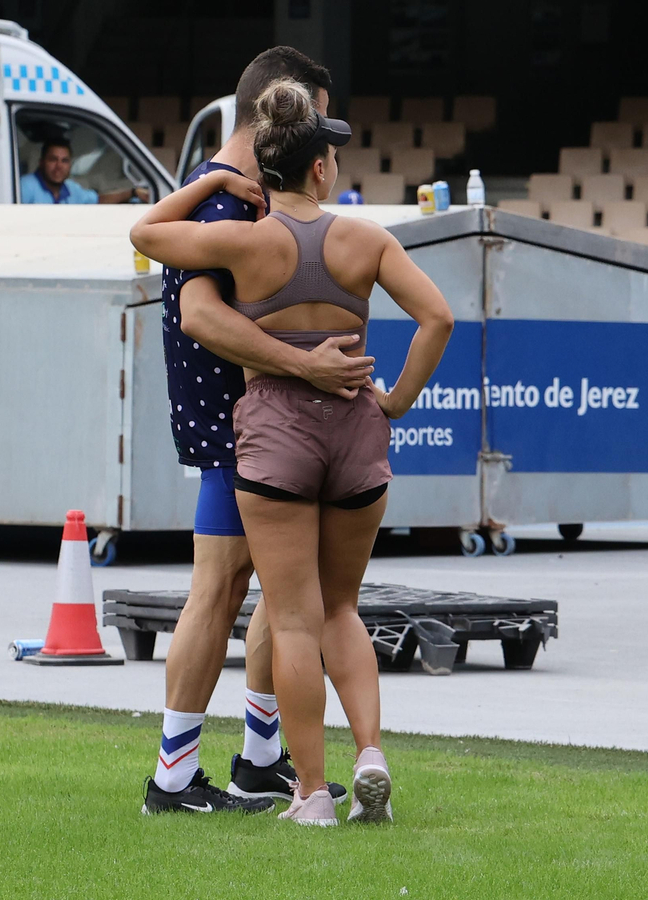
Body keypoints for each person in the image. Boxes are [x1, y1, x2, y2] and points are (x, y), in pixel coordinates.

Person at [132, 77, 455, 826]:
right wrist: (396, 400)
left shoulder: (244, 240)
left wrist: (211, 180)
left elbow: (146, 236)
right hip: (354, 432)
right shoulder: (367, 240)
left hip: (276, 438)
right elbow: (436, 317)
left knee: (294, 620)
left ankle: (308, 792)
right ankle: (368, 753)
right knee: (342, 608)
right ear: (320, 168)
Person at [142, 47, 374, 818]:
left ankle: (262, 759)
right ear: (285, 107)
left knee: (282, 593)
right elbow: (199, 315)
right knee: (221, 588)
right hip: (233, 424)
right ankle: (173, 777)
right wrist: (303, 369)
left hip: (265, 425)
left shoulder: (250, 198)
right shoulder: (221, 202)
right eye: (317, 121)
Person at [19, 138, 148, 204]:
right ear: (41, 162)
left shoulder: (70, 188)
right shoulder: (25, 187)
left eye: (64, 161)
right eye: (53, 159)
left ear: (70, 165)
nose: (59, 166)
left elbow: (98, 201)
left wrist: (133, 193)